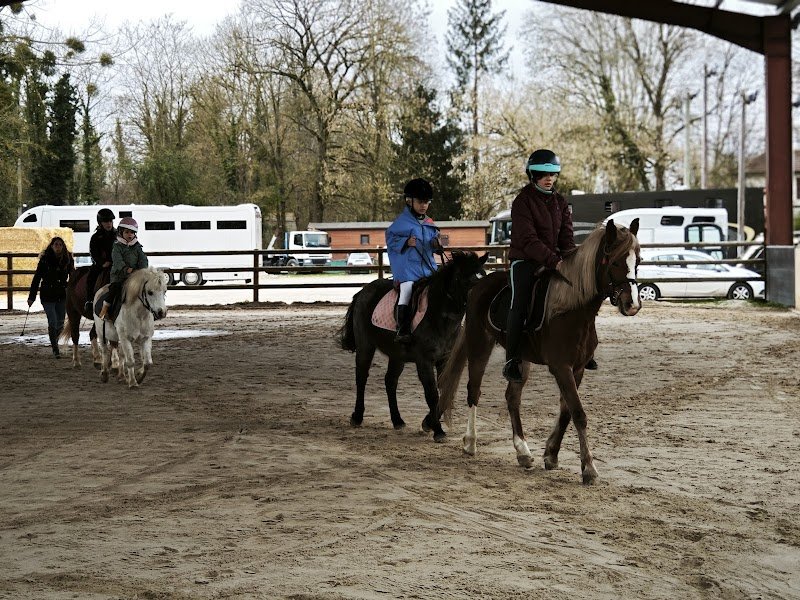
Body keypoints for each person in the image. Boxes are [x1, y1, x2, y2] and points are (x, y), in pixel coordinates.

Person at [502, 149, 578, 383]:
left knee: (579, 294)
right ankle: (512, 359)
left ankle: (583, 348)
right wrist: (554, 261)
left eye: (553, 174)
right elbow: (528, 240)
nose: (549, 178)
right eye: (543, 174)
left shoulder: (560, 202)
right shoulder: (522, 201)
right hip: (524, 261)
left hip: (553, 261)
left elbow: (566, 237)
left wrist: (571, 259)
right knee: (520, 303)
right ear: (532, 175)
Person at [385, 178, 442, 342]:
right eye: (420, 202)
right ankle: (402, 329)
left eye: (427, 202)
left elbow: (433, 244)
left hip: (427, 267)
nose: (424, 205)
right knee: (407, 291)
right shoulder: (400, 223)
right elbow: (390, 239)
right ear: (410, 201)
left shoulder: (429, 223)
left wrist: (436, 245)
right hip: (408, 269)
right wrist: (405, 242)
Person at [28, 236, 74, 358]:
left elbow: (73, 275)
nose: (58, 247)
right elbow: (37, 278)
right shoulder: (44, 260)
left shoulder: (68, 259)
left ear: (63, 246)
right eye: (56, 245)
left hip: (61, 294)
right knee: (52, 320)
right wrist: (31, 296)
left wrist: (72, 290)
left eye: (60, 245)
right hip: (47, 294)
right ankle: (55, 347)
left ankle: (55, 342)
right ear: (52, 246)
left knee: (60, 323)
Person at [98, 217, 148, 320]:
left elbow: (143, 259)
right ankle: (106, 308)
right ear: (121, 232)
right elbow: (117, 261)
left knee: (147, 289)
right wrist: (126, 269)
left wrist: (142, 269)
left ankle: (149, 310)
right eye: (127, 232)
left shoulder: (137, 247)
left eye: (132, 233)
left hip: (135, 276)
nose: (130, 235)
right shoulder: (117, 246)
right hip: (119, 275)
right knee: (114, 289)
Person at [84, 208, 117, 312]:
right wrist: (102, 263)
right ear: (100, 223)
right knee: (91, 277)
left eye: (110, 221)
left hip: (117, 263)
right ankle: (89, 301)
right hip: (102, 264)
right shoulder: (96, 237)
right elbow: (93, 252)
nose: (109, 224)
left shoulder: (118, 235)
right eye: (106, 221)